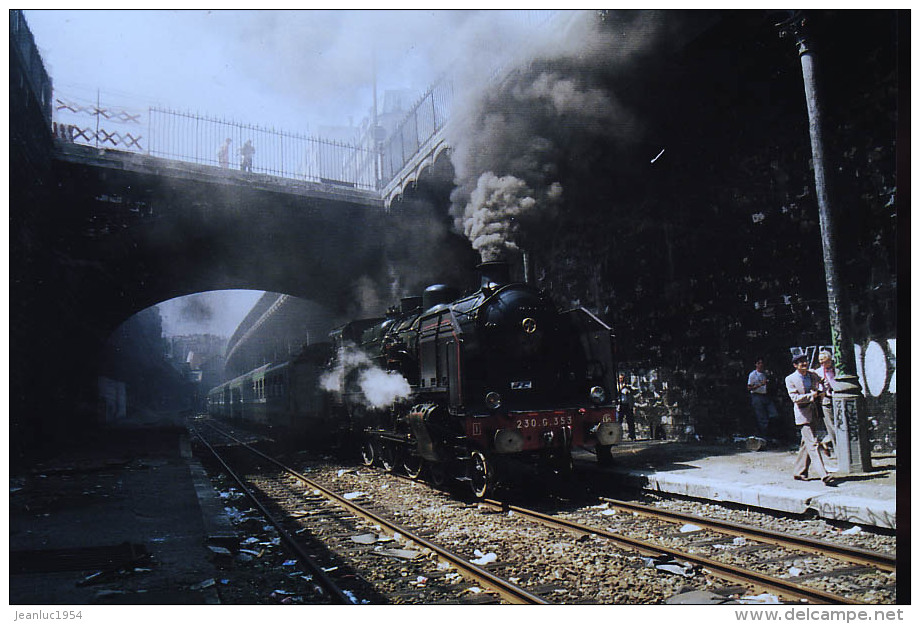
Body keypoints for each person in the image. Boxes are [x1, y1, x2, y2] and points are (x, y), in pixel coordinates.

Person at [785, 353, 836, 486]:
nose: (804, 364)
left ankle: (799, 472)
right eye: (801, 363)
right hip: (803, 415)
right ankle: (824, 475)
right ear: (795, 366)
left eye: (805, 362)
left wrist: (822, 391)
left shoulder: (812, 374)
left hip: (814, 412)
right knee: (813, 444)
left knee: (806, 444)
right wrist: (811, 396)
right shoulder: (790, 379)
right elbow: (795, 398)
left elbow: (823, 380)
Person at [811, 350, 836, 458]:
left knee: (840, 425)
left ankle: (826, 441)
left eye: (825, 362)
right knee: (831, 426)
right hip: (826, 398)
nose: (823, 365)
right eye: (821, 362)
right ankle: (837, 449)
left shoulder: (836, 370)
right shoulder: (818, 372)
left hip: (837, 397)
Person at [747, 357, 779, 438]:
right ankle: (764, 436)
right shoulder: (753, 375)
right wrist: (760, 384)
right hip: (757, 395)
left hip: (766, 395)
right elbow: (749, 387)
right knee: (762, 418)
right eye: (759, 363)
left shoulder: (766, 373)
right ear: (756, 364)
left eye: (762, 363)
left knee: (774, 414)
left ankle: (771, 433)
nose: (761, 365)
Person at [617, 373, 636, 441]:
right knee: (619, 421)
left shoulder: (628, 386)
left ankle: (632, 436)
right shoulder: (617, 385)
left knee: (630, 421)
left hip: (627, 405)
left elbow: (633, 392)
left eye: (623, 378)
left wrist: (629, 388)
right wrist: (622, 387)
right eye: (620, 378)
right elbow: (616, 393)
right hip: (620, 405)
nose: (622, 380)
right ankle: (617, 437)